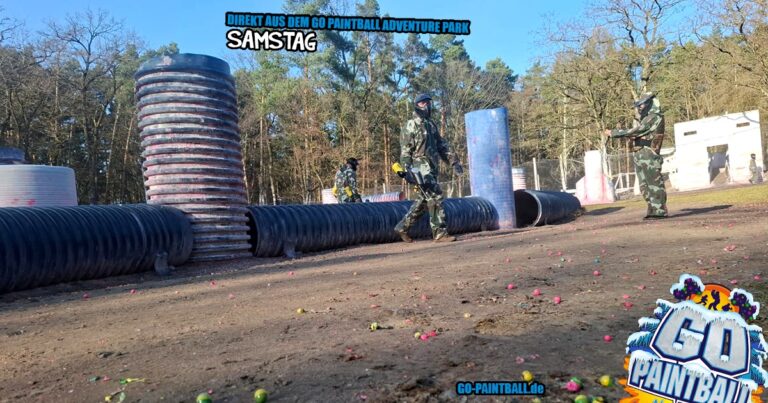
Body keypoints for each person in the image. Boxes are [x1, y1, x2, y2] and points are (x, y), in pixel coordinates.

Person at [394, 93, 464, 243]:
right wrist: (406, 170)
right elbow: (405, 151)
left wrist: (454, 162)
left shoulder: (431, 124)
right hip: (419, 168)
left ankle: (402, 227)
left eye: (428, 102)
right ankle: (440, 233)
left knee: (425, 200)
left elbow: (442, 146)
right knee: (435, 195)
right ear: (416, 105)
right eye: (423, 103)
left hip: (431, 167)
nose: (426, 105)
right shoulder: (411, 125)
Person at [604, 92, 668, 219]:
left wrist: (615, 133)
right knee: (644, 185)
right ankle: (652, 210)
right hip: (641, 153)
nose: (640, 108)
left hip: (649, 154)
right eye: (639, 105)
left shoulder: (655, 117)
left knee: (654, 183)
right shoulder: (647, 118)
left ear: (650, 103)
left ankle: (660, 211)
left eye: (642, 105)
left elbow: (639, 130)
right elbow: (639, 133)